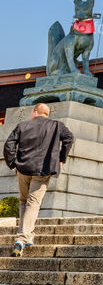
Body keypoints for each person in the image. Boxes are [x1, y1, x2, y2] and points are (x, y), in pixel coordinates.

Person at [3, 103, 74, 256]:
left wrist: (12, 164)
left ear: (35, 111)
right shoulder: (57, 125)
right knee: (33, 203)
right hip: (43, 169)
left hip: (23, 168)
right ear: (46, 113)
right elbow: (69, 138)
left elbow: (9, 145)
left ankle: (27, 235)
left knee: (24, 201)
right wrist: (61, 158)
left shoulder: (22, 125)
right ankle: (22, 239)